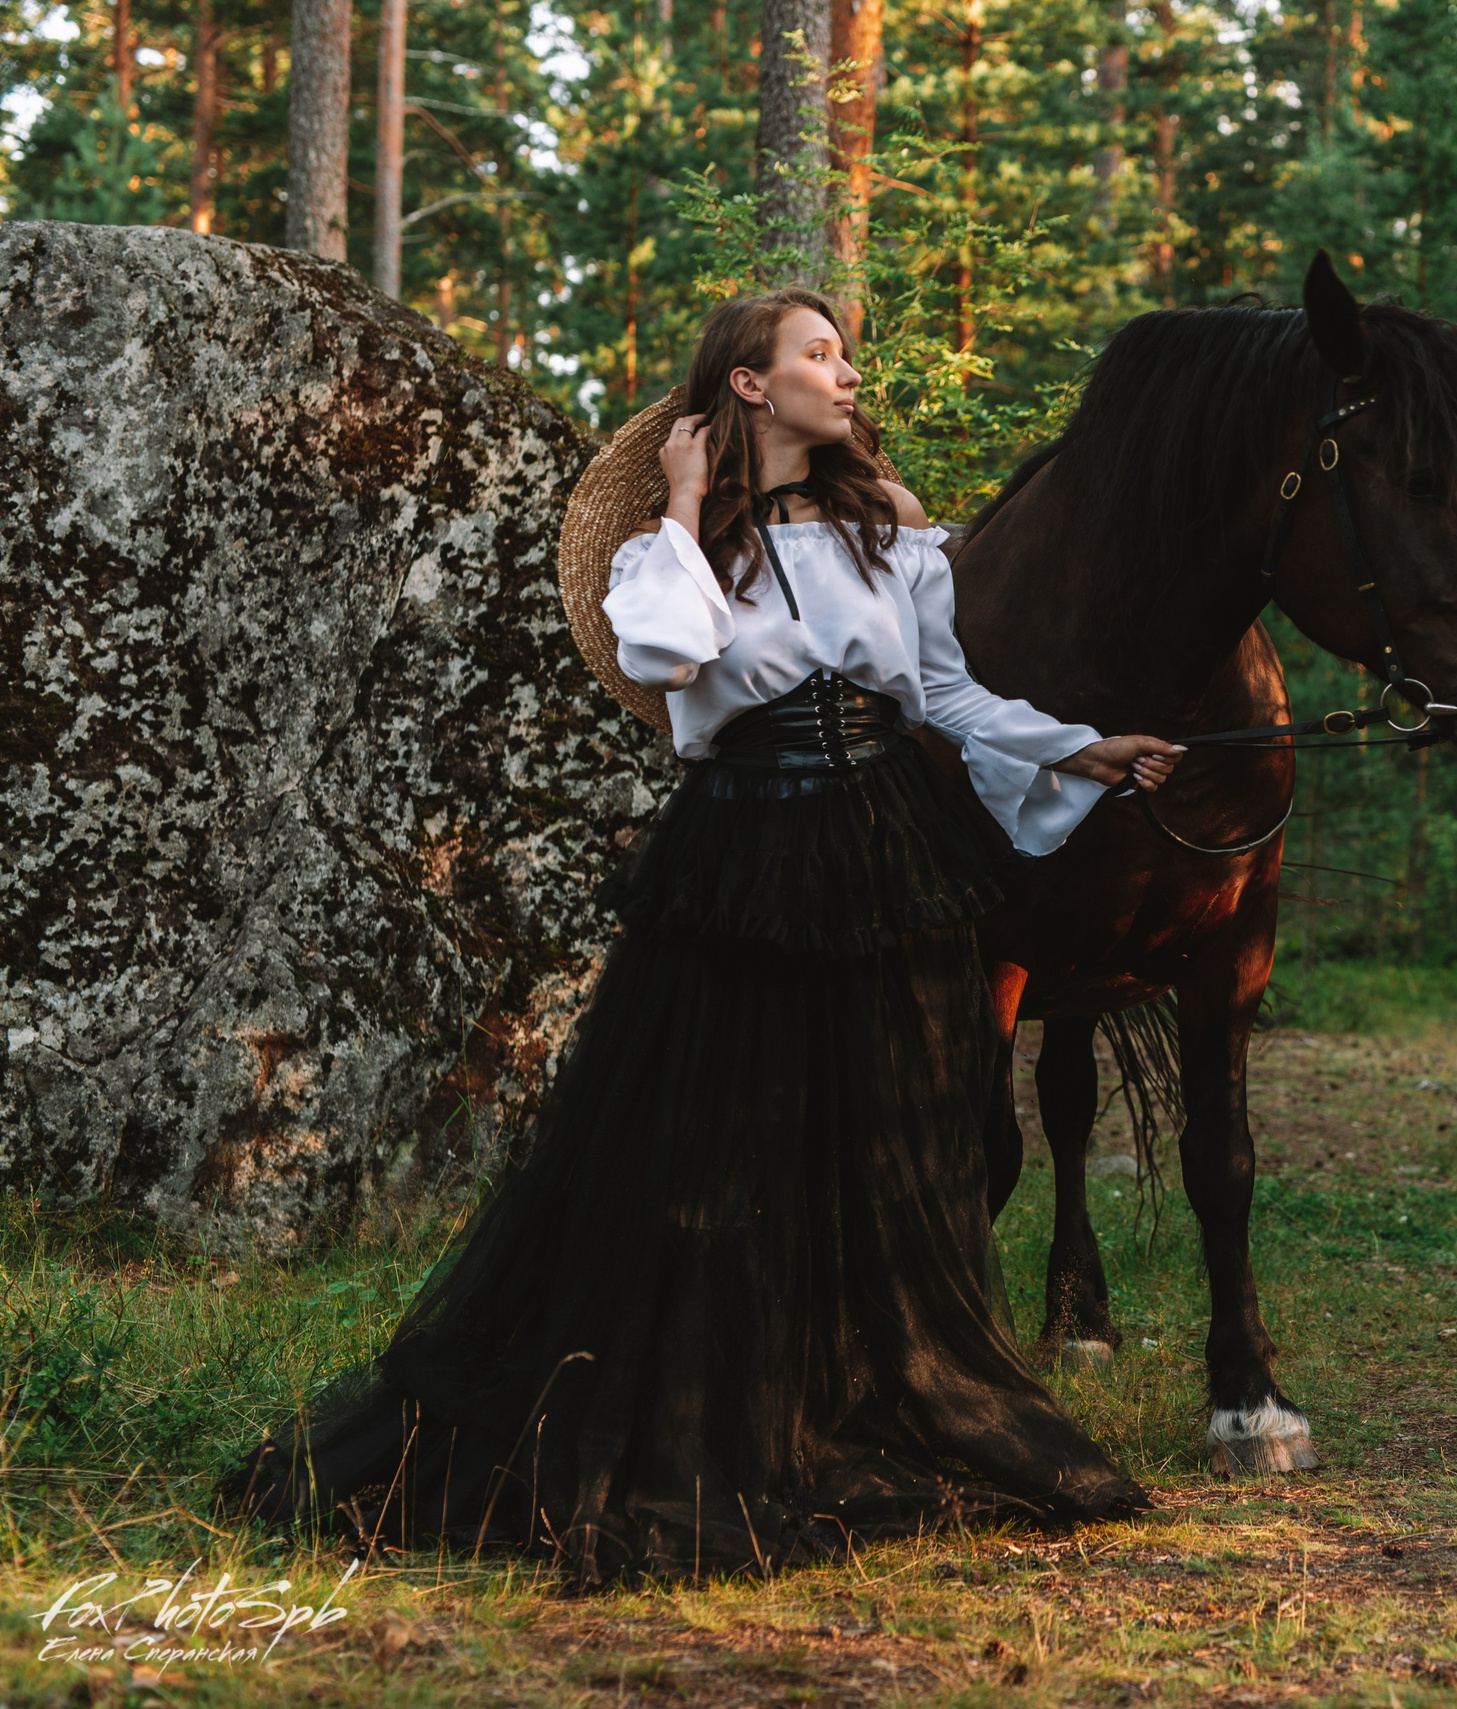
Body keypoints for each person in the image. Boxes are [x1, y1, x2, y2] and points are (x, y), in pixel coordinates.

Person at [218, 287, 1184, 1589]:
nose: (846, 373)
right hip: (744, 857)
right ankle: (706, 1420)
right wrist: (679, 507)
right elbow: (667, 661)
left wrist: (1079, 746)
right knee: (723, 1144)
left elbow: (941, 690)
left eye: (845, 352)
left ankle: (848, 1401)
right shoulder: (674, 550)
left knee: (880, 1141)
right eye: (818, 354)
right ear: (746, 383)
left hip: (884, 852)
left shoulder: (891, 528)